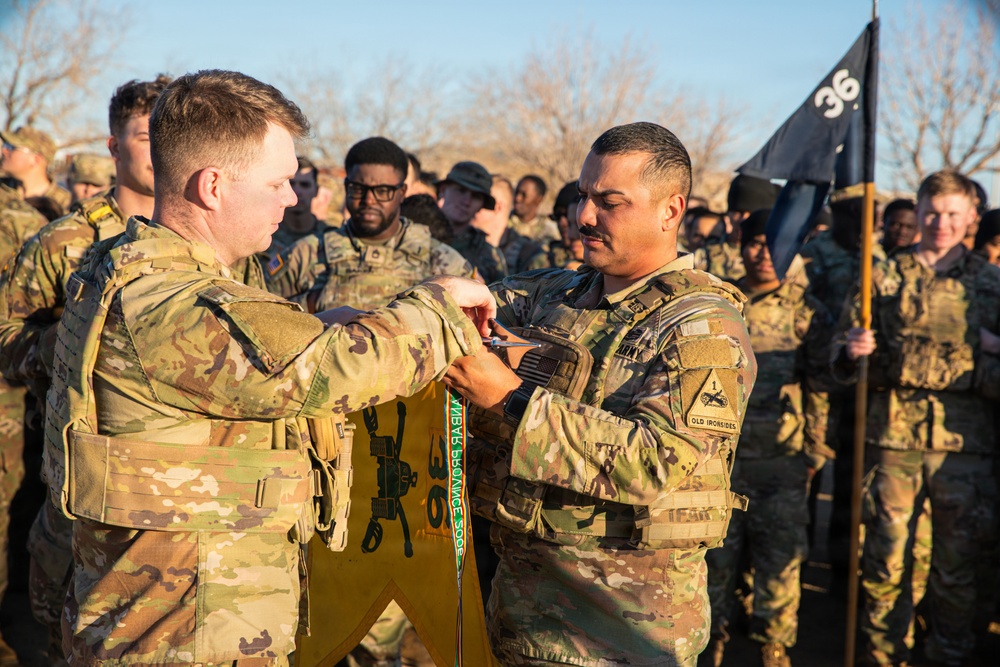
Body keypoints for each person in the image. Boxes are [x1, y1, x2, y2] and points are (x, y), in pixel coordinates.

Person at [41, 68, 494, 666]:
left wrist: (314, 320)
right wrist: (440, 304)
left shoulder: (126, 266)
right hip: (185, 638)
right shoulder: (179, 305)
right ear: (212, 186)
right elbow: (340, 372)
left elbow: (242, 349)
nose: (292, 197)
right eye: (279, 181)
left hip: (163, 615)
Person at [445, 121, 756, 666]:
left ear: (670, 210)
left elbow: (656, 460)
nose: (583, 215)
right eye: (584, 196)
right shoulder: (556, 293)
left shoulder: (701, 328)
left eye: (609, 201)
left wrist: (510, 398)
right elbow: (448, 312)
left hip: (620, 636)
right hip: (519, 619)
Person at [0, 75, 172, 662]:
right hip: (82, 499)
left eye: (172, 135)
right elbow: (6, 340)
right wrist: (74, 342)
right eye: (147, 135)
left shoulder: (218, 248)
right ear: (112, 145)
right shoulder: (64, 242)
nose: (161, 149)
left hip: (178, 505)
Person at [837, 170, 1000, 667]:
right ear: (919, 212)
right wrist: (851, 350)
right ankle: (885, 655)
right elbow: (838, 359)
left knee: (957, 566)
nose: (941, 224)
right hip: (894, 443)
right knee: (885, 563)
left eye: (953, 214)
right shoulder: (881, 277)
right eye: (932, 212)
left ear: (971, 217)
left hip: (964, 448)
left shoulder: (991, 284)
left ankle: (948, 654)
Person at [704, 211, 833, 667]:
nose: (763, 253)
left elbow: (820, 384)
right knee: (714, 561)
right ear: (741, 244)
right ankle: (712, 640)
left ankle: (773, 646)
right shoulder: (718, 302)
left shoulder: (806, 310)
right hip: (719, 461)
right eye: (755, 242)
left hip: (781, 460)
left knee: (780, 562)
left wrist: (814, 451)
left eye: (773, 243)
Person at [267, 136, 474, 312]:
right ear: (347, 187)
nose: (369, 200)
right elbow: (261, 321)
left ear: (401, 193)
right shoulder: (306, 255)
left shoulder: (443, 262)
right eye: (358, 189)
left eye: (382, 191)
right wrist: (310, 307)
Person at [437, 160, 508, 282]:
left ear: (482, 205)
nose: (466, 201)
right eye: (461, 190)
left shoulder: (489, 255)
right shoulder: (415, 235)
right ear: (443, 189)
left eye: (476, 196)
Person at [261, 155, 328, 270]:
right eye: (291, 184)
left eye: (305, 185)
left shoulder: (328, 237)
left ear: (316, 190)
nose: (297, 191)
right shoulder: (264, 235)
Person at [471, 175, 547, 275]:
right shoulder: (467, 242)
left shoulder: (530, 254)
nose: (469, 204)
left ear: (498, 207)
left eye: (481, 201)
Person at [0, 126, 71, 220]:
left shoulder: (65, 203)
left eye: (12, 147)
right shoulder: (3, 190)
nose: (4, 151)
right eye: (5, 145)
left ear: (36, 159)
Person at [510, 174, 559, 242]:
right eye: (516, 193)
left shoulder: (550, 230)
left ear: (538, 199)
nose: (517, 198)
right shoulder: (503, 222)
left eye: (524, 195)